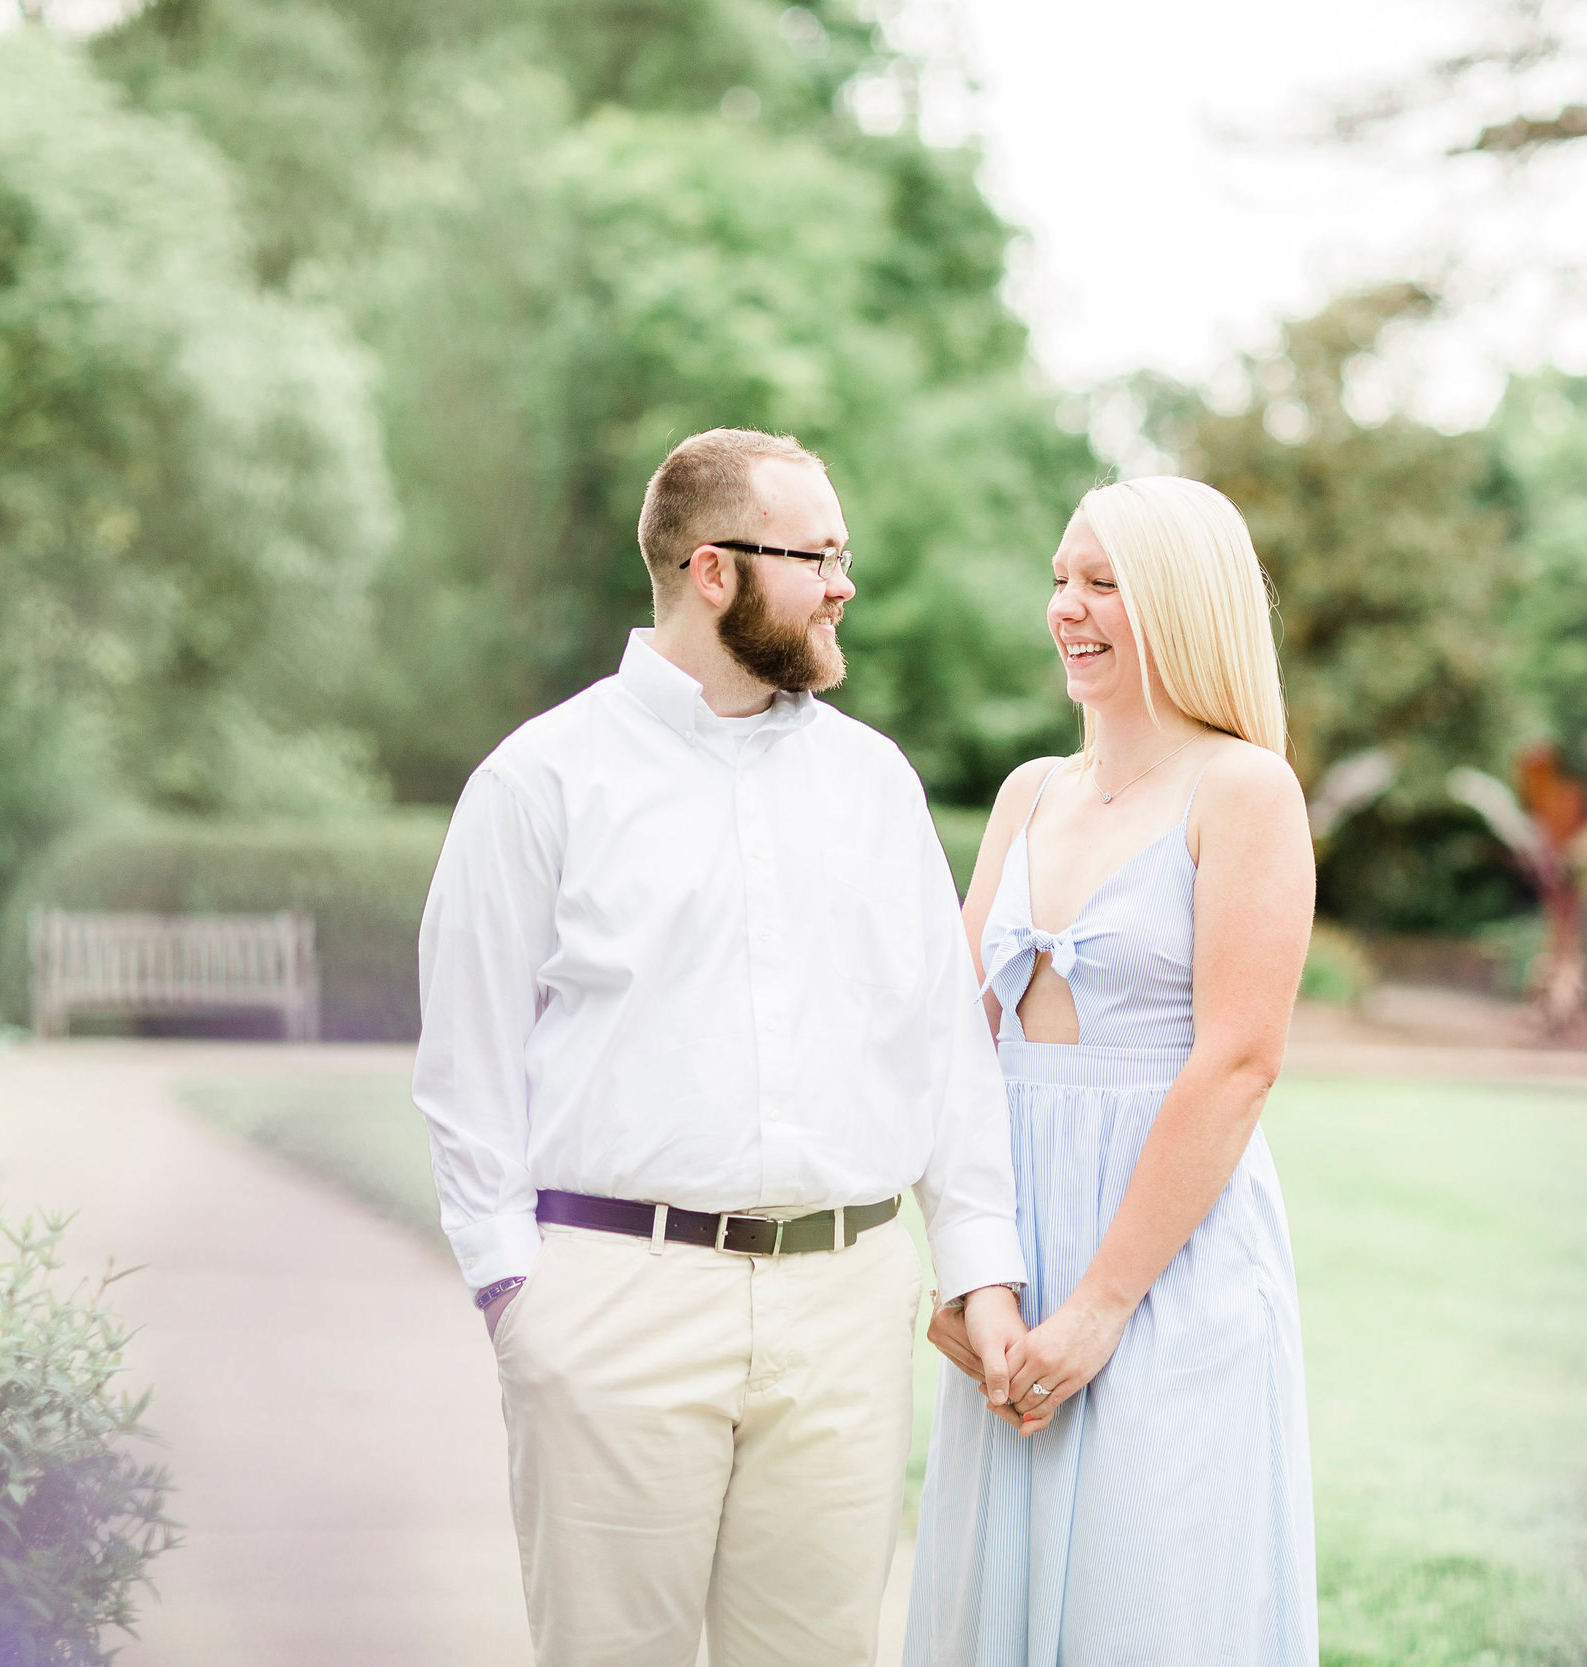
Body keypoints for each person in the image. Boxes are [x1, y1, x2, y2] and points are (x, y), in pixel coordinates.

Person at [414, 427, 1032, 1667]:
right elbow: (466, 1063)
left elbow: (940, 1042)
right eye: (819, 555)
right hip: (613, 1305)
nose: (844, 582)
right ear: (713, 569)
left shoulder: (874, 783)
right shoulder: (540, 780)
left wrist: (978, 1261)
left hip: (847, 1304)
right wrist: (515, 1295)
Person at [904, 477, 1319, 1667]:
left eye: (1101, 583)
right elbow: (956, 1046)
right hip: (1015, 1265)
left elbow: (1239, 1062)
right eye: (1059, 579)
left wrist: (1098, 1305)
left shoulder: (1242, 790)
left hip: (1163, 1265)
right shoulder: (1029, 793)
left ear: (1182, 605)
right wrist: (973, 1272)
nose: (1065, 609)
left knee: (1152, 1602)